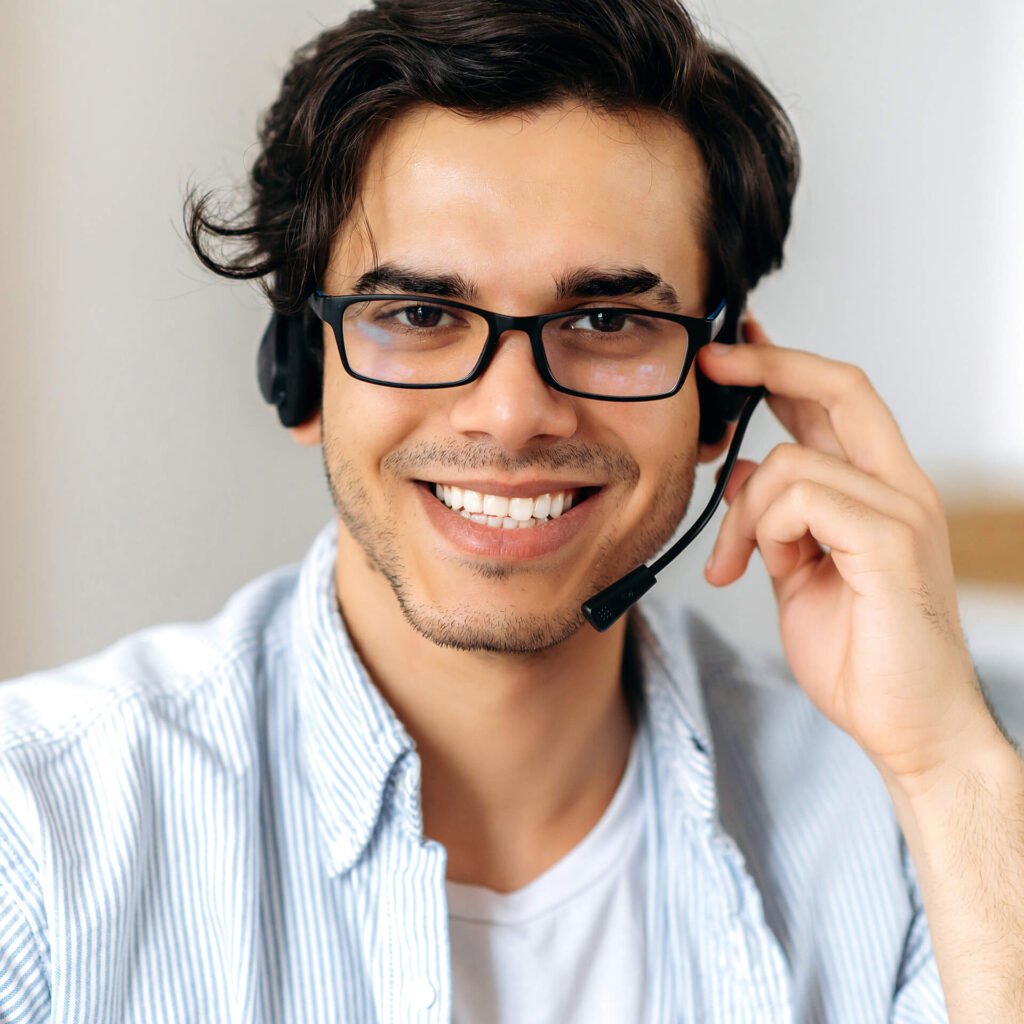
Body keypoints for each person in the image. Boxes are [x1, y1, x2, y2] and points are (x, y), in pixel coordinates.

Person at [0, 0, 1020, 1020]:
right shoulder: (39, 836)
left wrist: (950, 762)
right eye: (420, 314)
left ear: (718, 396)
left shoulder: (910, 823)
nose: (513, 413)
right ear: (304, 373)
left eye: (605, 318)